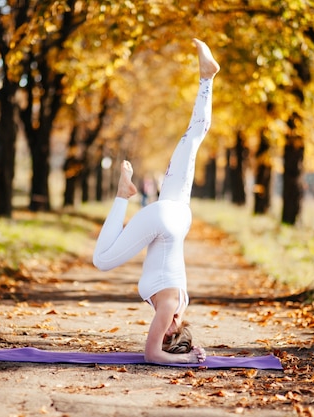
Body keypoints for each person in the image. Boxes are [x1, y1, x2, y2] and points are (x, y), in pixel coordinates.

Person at [93, 38, 220, 364]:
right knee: (101, 261)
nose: (157, 332)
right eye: (166, 337)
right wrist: (188, 359)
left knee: (192, 139)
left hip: (179, 214)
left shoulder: (180, 303)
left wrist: (192, 350)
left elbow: (165, 344)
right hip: (165, 221)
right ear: (174, 332)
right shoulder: (169, 310)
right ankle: (123, 196)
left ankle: (206, 78)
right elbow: (151, 356)